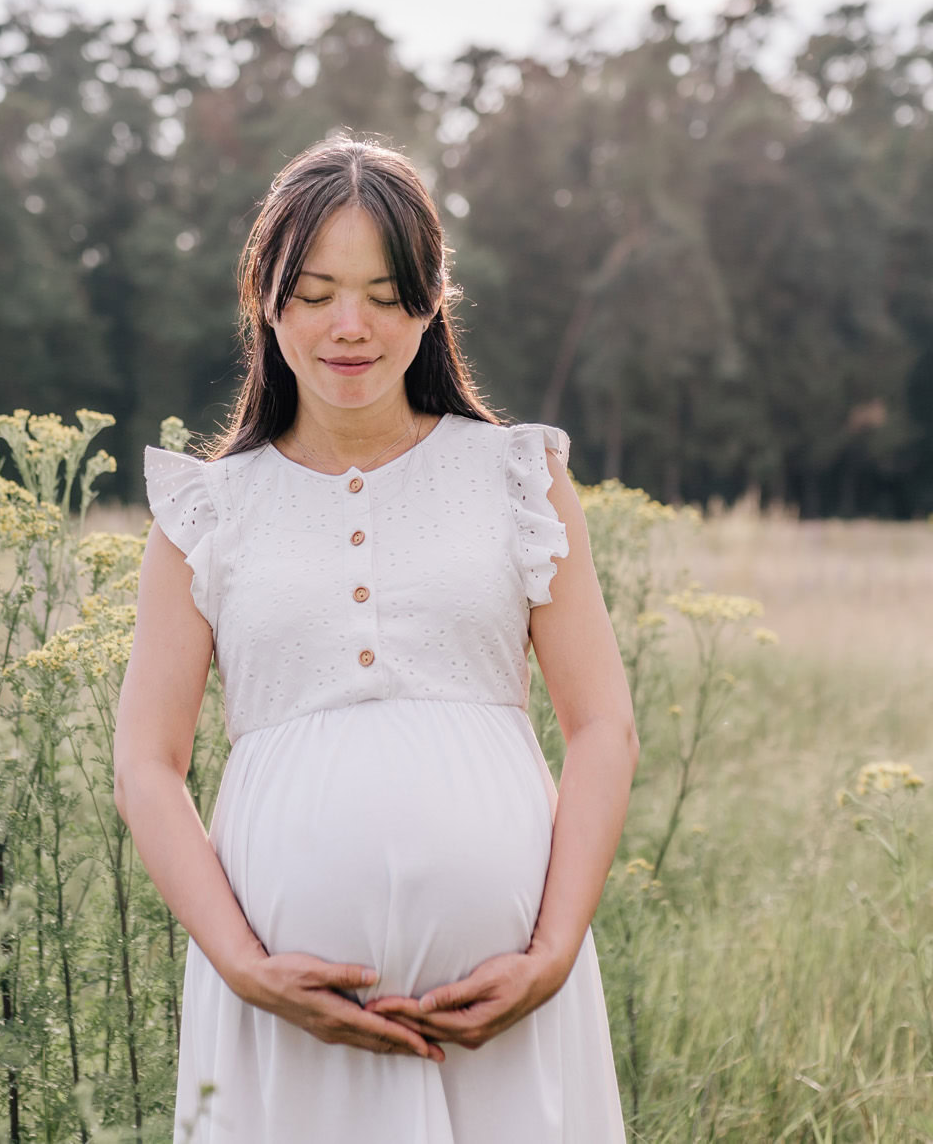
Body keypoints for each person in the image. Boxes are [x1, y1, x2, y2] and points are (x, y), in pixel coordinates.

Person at [112, 131, 639, 1143]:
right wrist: (244, 967)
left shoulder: (516, 478)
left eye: (383, 291)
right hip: (283, 1017)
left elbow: (604, 727)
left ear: (432, 297)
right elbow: (147, 764)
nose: (348, 326)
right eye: (313, 292)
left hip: (509, 1009)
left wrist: (553, 952)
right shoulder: (207, 510)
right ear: (265, 297)